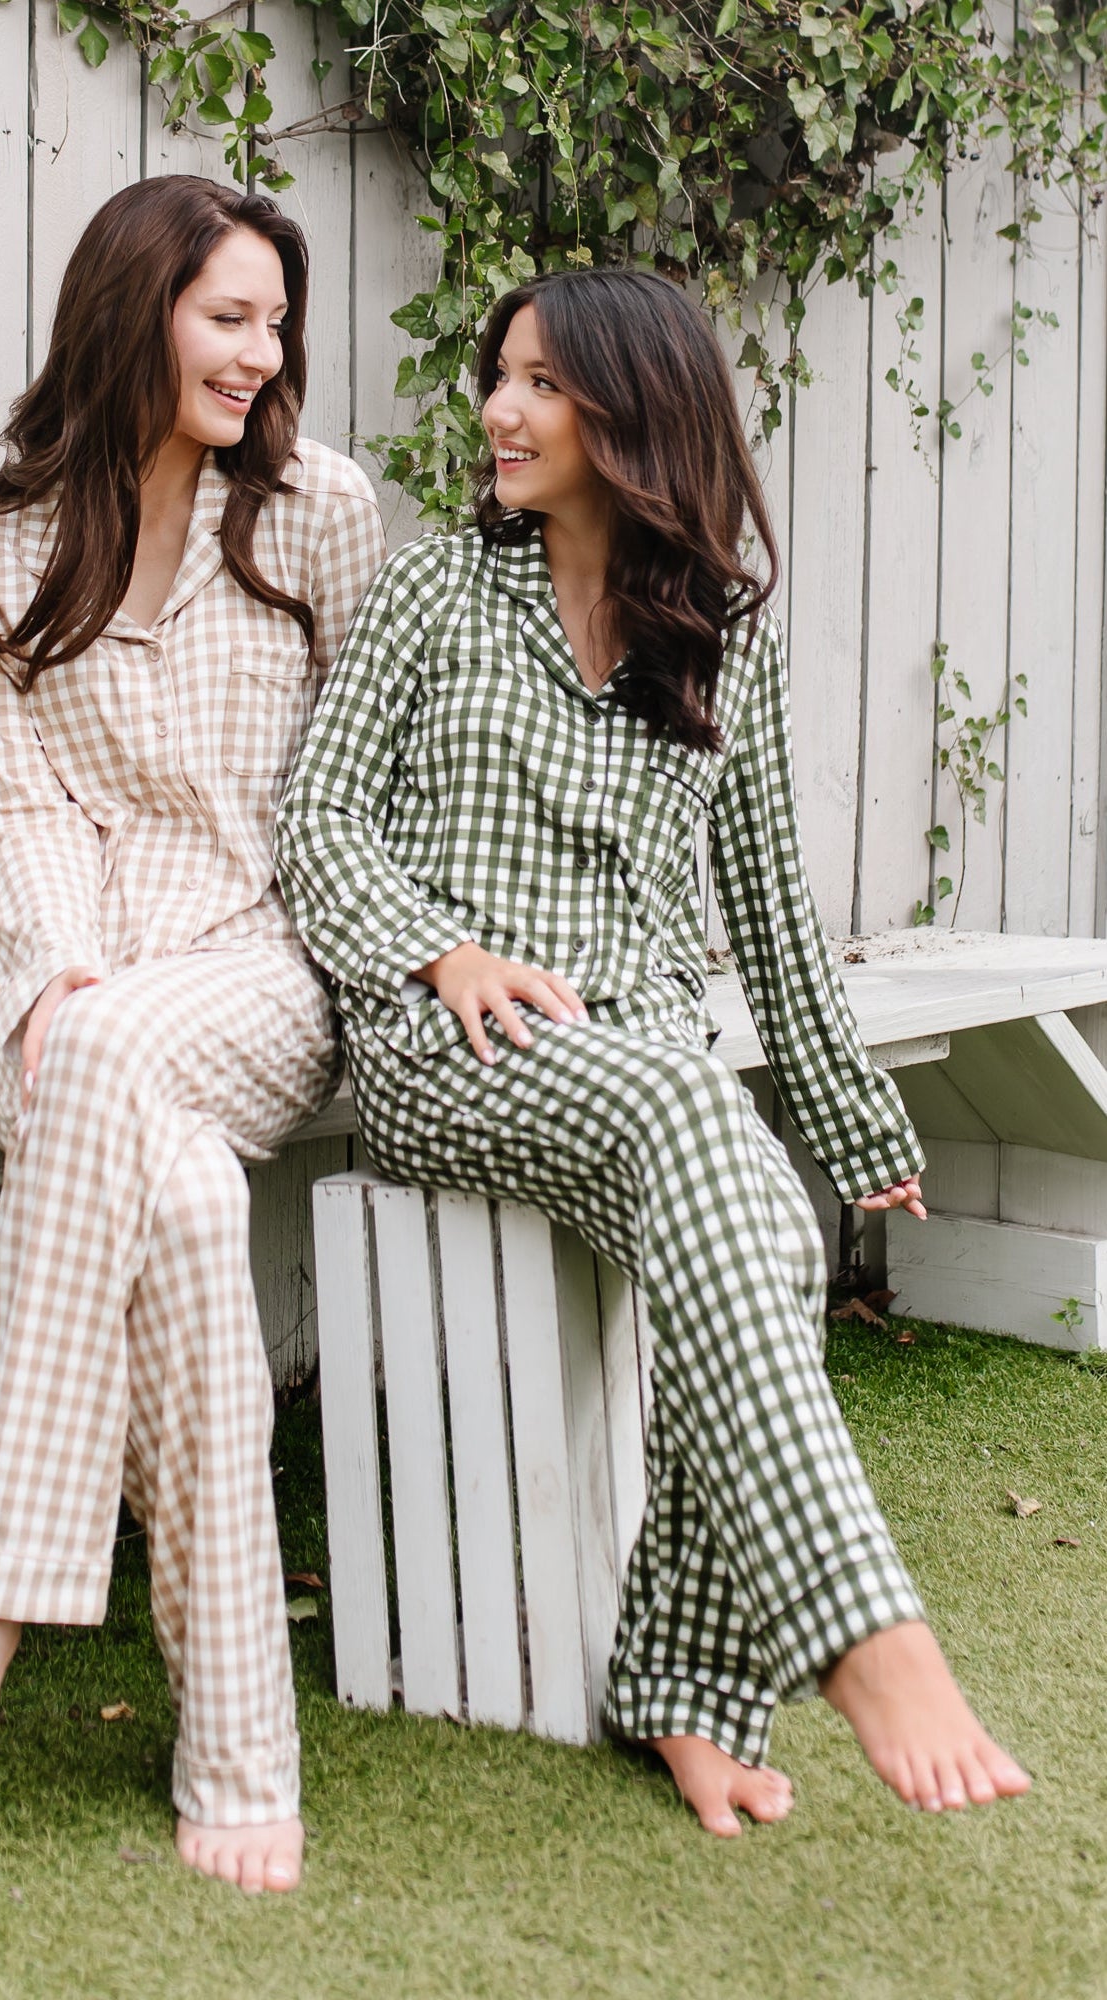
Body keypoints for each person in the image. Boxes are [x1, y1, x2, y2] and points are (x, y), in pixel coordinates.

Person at [275, 267, 1030, 1837]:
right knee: (709, 1147)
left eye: (543, 383)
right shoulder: (433, 594)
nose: (498, 406)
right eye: (503, 374)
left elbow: (766, 902)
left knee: (756, 1221)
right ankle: (859, 1633)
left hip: (644, 1071)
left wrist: (843, 1114)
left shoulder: (712, 639)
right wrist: (440, 949)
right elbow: (318, 819)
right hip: (450, 1047)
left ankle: (680, 1695)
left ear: (638, 414)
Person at [0, 175, 386, 1890]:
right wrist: (63, 976)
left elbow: (349, 791)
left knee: (134, 1061)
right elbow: (7, 816)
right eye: (230, 315)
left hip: (259, 977)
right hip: (38, 1004)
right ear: (131, 313)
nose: (262, 352)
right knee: (191, 1201)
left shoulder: (319, 518)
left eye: (275, 321)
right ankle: (233, 1739)